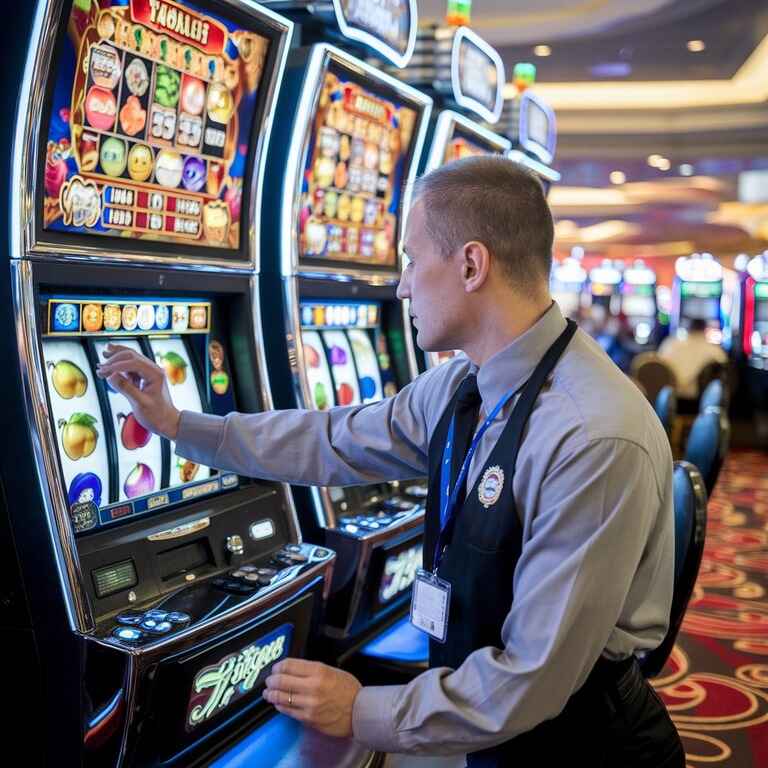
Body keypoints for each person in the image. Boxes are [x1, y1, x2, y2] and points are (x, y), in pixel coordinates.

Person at [96, 156, 684, 767]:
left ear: (471, 265)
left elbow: (534, 677)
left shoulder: (591, 436)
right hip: (494, 725)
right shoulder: (466, 385)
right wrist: (178, 425)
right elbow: (333, 439)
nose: (401, 286)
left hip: (583, 745)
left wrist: (362, 710)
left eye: (411, 259)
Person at [658, 317, 727, 400]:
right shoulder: (715, 350)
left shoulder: (670, 344)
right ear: (705, 330)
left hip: (669, 398)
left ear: (688, 328)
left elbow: (658, 367)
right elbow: (725, 368)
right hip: (700, 401)